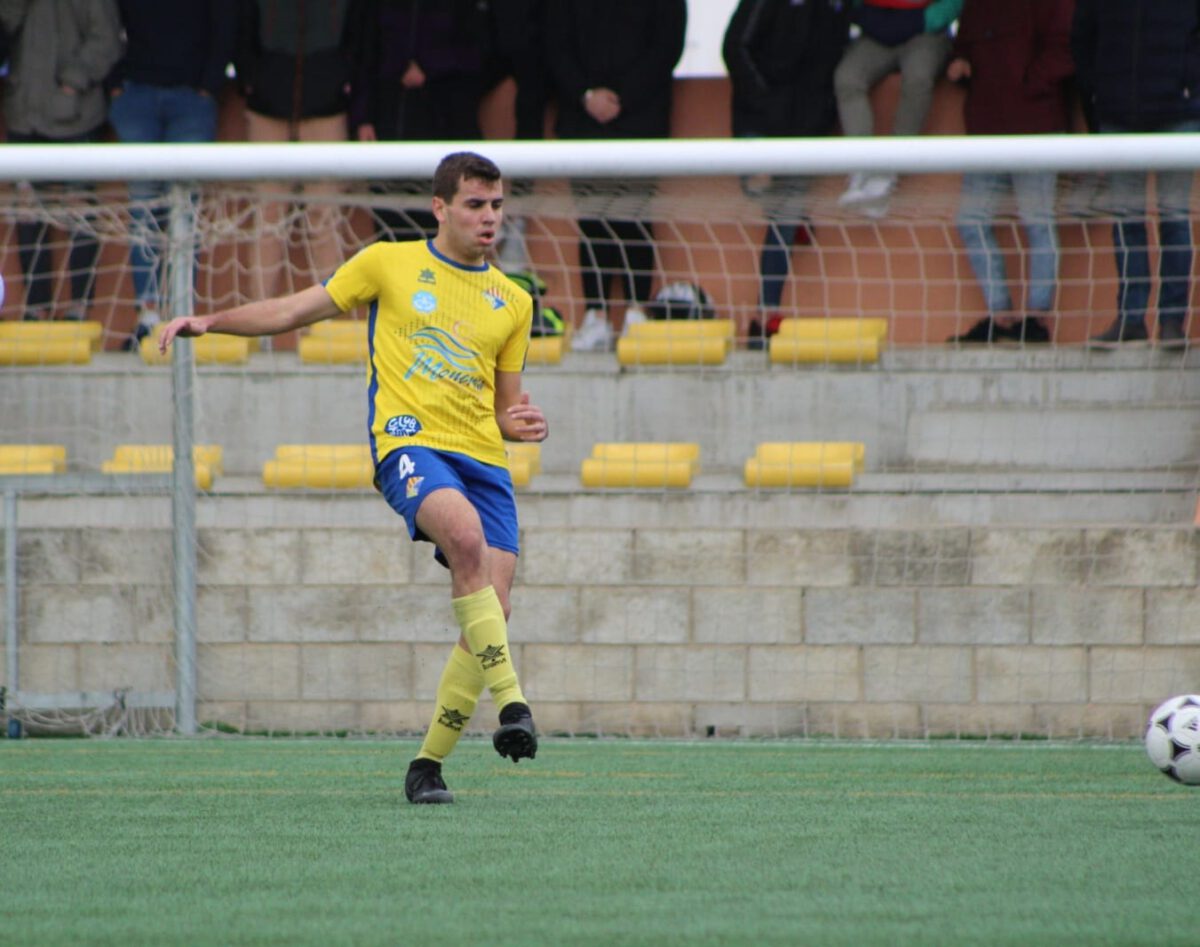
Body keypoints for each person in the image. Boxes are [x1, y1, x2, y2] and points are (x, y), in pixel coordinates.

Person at [157, 152, 548, 805]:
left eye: (497, 205)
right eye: (476, 204)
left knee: (491, 613)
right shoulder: (387, 263)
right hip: (409, 444)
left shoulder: (513, 299)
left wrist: (521, 423)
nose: (489, 218)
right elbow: (291, 310)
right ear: (441, 208)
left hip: (484, 459)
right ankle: (515, 705)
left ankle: (427, 766)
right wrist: (209, 321)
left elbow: (506, 405)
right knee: (465, 540)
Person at [544, 0, 687, 351]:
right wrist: (587, 96)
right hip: (583, 123)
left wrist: (623, 98)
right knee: (592, 220)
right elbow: (554, 43)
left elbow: (667, 45)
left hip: (640, 120)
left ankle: (636, 311)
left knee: (636, 215)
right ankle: (596, 315)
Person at [722, 0, 851, 347]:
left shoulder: (838, 8)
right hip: (761, 125)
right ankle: (791, 222)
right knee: (764, 192)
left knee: (784, 217)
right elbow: (735, 47)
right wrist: (765, 109)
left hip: (804, 131)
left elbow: (837, 61)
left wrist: (821, 118)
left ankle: (765, 316)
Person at [1073, 0, 1200, 350]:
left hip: (1179, 113)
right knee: (1127, 219)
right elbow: (1082, 40)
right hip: (1118, 114)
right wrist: (1097, 105)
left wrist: (1190, 90)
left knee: (1174, 218)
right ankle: (1130, 319)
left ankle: (1172, 321)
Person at [109, 0, 236, 347]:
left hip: (191, 99)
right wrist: (116, 82)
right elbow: (108, 23)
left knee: (186, 209)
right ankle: (147, 315)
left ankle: (181, 311)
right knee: (143, 208)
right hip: (136, 93)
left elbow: (226, 24)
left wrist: (209, 85)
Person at [947, 0, 1075, 345]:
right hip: (986, 128)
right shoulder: (977, 6)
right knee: (971, 220)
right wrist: (958, 63)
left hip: (1036, 127)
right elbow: (962, 46)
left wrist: (1027, 85)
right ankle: (1000, 317)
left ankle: (1036, 320)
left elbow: (1065, 50)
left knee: (1038, 221)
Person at [0, 0, 123, 322]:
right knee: (28, 211)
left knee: (80, 209)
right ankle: (35, 307)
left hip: (77, 114)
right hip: (24, 114)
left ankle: (80, 305)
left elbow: (107, 38)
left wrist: (72, 82)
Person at [234, 0, 360, 301]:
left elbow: (361, 41)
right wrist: (252, 81)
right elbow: (240, 33)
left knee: (324, 215)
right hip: (267, 112)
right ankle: (260, 321)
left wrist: (341, 83)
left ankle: (329, 320)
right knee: (268, 215)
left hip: (327, 112)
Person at [348, 0, 490, 244]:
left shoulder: (463, 8)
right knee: (390, 221)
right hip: (389, 123)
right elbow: (364, 54)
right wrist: (364, 118)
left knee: (438, 220)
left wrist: (430, 68)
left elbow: (479, 54)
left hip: (444, 124)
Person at [833, 0, 962, 218]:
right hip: (874, 34)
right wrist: (870, 19)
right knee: (847, 78)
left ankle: (889, 169)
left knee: (918, 78)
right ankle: (862, 167)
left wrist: (922, 21)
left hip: (926, 33)